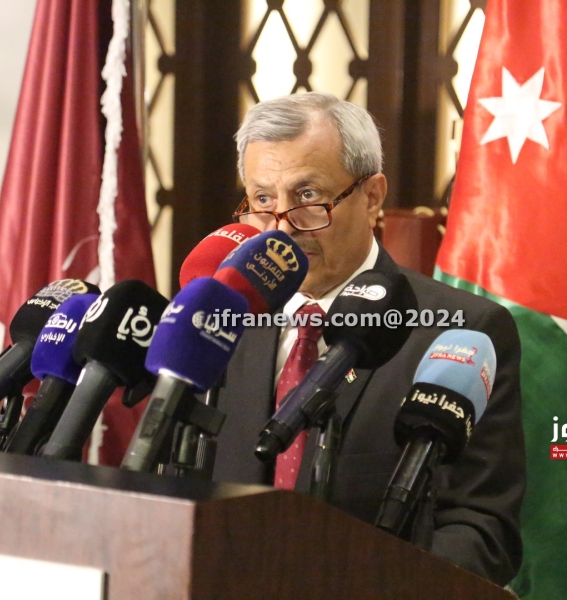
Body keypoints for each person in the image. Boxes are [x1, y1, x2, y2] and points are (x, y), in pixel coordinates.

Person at [211, 91, 525, 586]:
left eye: (308, 196)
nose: (282, 229)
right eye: (263, 200)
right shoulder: (220, 318)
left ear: (372, 195)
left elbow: (483, 531)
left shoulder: (461, 331)